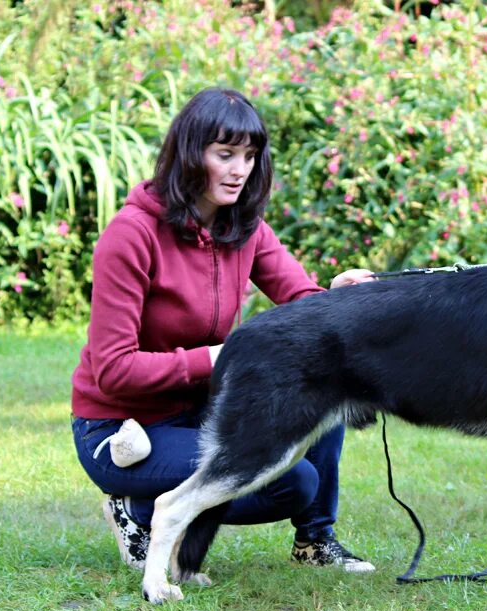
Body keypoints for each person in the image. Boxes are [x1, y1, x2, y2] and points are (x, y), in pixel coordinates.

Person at [70, 88, 375, 574]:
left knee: (324, 374)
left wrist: (336, 298)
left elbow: (302, 302)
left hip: (200, 410)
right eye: (225, 154)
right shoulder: (130, 235)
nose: (239, 170)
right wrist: (219, 357)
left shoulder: (245, 227)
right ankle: (138, 511)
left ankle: (315, 541)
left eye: (249, 157)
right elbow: (113, 370)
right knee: (289, 482)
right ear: (191, 155)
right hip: (121, 430)